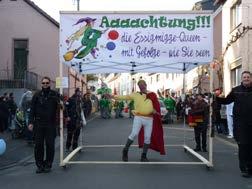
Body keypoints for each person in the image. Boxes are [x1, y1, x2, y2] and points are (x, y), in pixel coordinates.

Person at [112, 80, 165, 162]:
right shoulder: (135, 95)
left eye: (142, 85)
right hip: (139, 117)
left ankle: (144, 156)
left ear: (146, 85)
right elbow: (124, 97)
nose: (141, 86)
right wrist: (112, 96)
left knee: (147, 137)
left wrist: (155, 111)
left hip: (149, 119)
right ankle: (125, 150)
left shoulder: (152, 94)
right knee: (134, 134)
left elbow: (156, 105)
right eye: (139, 85)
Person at [216, 71, 252, 178]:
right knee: (243, 146)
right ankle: (244, 168)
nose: (246, 78)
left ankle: (251, 168)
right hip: (240, 124)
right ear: (241, 79)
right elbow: (226, 101)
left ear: (251, 78)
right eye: (244, 77)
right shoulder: (236, 91)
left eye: (248, 77)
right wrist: (216, 98)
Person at [28, 76, 61, 174]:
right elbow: (32, 109)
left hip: (50, 124)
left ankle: (48, 165)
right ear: (41, 84)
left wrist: (65, 116)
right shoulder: (37, 95)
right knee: (38, 145)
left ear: (50, 83)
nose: (45, 84)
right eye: (43, 83)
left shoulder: (55, 95)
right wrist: (30, 122)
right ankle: (40, 165)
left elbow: (61, 107)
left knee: (50, 145)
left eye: (47, 83)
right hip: (38, 124)